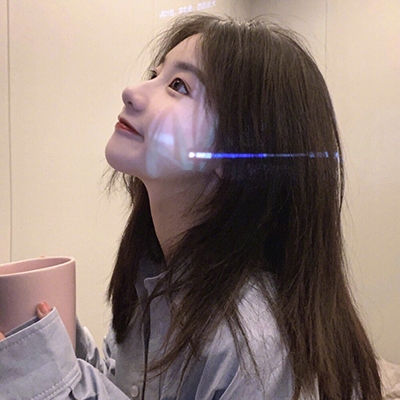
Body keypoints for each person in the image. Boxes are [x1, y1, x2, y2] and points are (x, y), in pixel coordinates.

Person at [0, 13, 382, 400]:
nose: (132, 91)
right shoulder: (153, 280)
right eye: (155, 73)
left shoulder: (257, 344)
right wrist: (62, 352)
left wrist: (54, 381)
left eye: (179, 86)